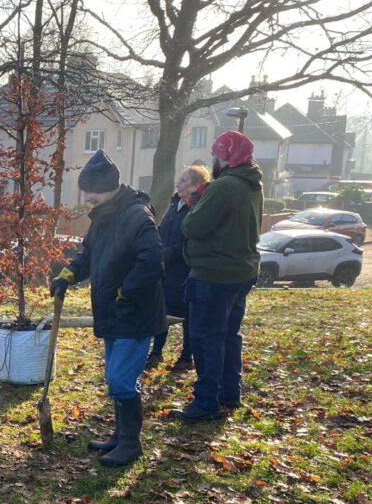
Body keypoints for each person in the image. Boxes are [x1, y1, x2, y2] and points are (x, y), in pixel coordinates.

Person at [49, 150, 165, 467]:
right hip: (114, 313)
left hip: (133, 313)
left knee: (121, 379)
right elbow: (87, 255)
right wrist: (66, 275)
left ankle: (131, 444)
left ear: (110, 188)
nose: (87, 199)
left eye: (92, 193)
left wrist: (125, 292)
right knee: (115, 378)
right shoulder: (105, 217)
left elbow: (153, 261)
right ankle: (119, 435)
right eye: (85, 193)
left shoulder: (137, 216)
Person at [176, 131, 263, 421]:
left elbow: (192, 227)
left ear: (225, 157)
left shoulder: (222, 187)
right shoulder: (252, 185)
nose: (213, 160)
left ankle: (206, 401)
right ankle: (229, 391)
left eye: (216, 155)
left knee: (205, 338)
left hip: (214, 274)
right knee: (228, 335)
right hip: (242, 271)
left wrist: (193, 205)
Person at [146, 164, 210, 371]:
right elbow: (163, 230)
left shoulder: (199, 208)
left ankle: (186, 357)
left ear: (196, 185)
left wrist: (170, 253)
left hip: (185, 270)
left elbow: (193, 240)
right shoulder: (175, 204)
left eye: (183, 180)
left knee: (187, 316)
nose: (178, 183)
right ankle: (156, 352)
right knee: (160, 310)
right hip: (165, 270)